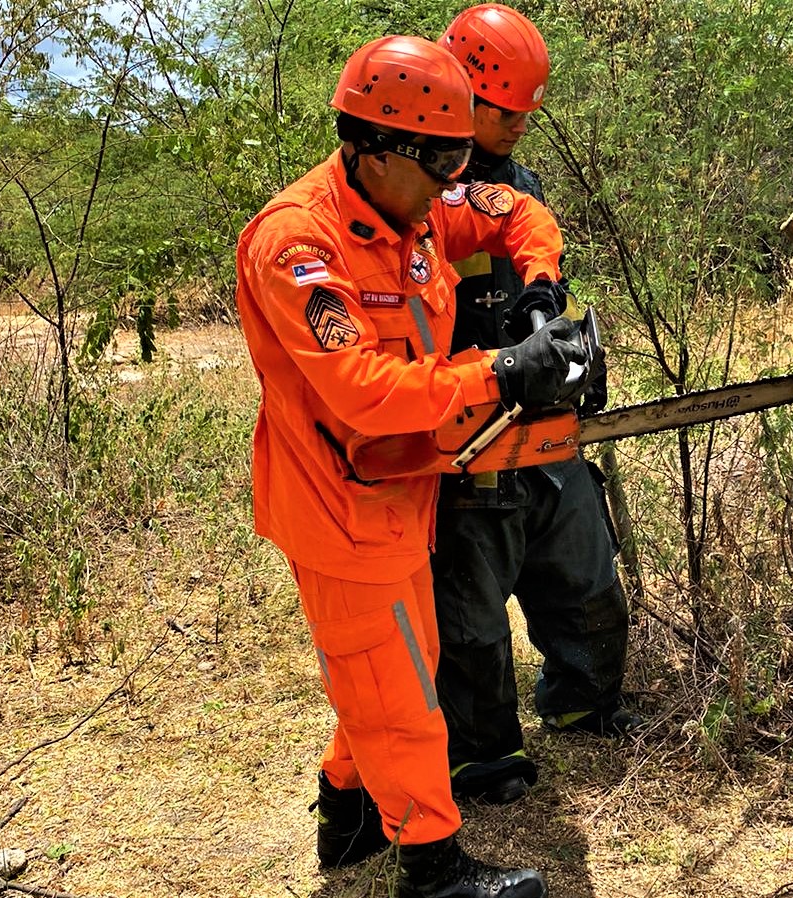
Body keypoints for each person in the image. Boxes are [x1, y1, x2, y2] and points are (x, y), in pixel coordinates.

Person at [234, 34, 586, 898]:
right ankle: (433, 870)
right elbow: (362, 389)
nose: (447, 184)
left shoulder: (414, 206)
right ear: (375, 147)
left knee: (389, 663)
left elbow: (513, 212)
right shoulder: (298, 246)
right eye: (436, 164)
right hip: (339, 503)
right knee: (397, 692)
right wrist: (502, 371)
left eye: (457, 160)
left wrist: (537, 287)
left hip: (400, 492)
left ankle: (346, 814)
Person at [432, 3, 640, 808]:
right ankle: (481, 754)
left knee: (585, 573)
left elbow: (533, 258)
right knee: (471, 611)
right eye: (505, 107)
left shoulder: (522, 184)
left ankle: (582, 695)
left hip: (541, 416)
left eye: (526, 109)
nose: (519, 122)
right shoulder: (415, 177)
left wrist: (555, 328)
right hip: (463, 416)